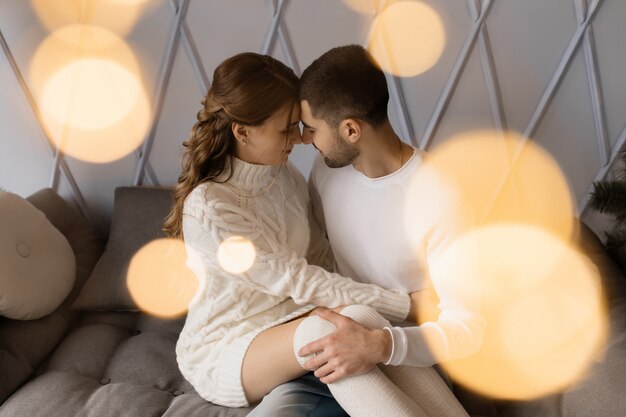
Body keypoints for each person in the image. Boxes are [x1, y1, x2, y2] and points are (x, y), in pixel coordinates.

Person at [163, 52, 437, 416]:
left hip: (294, 323)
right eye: (286, 129)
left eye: (299, 125)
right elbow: (296, 278)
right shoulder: (211, 208)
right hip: (228, 345)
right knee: (325, 330)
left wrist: (375, 310)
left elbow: (319, 256)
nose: (300, 138)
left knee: (359, 320)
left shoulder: (285, 176)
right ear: (242, 131)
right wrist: (406, 304)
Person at [252, 45, 486, 416]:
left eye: (311, 129)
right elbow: (315, 261)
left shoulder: (441, 194)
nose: (304, 140)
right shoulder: (326, 171)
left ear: (350, 129)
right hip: (336, 345)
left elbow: (469, 330)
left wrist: (379, 345)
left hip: (411, 357)